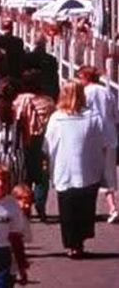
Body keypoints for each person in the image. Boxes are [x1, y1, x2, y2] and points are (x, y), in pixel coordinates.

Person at [44, 81, 107, 258]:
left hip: (64, 169)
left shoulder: (56, 118)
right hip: (88, 169)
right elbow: (101, 142)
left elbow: (49, 145)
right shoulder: (93, 116)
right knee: (85, 208)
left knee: (67, 209)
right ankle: (79, 242)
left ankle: (71, 243)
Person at [77, 65, 119, 223]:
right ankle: (112, 207)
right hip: (110, 136)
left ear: (86, 78)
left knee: (89, 173)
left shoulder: (85, 93)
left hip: (91, 136)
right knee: (108, 173)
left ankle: (89, 209)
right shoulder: (107, 92)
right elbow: (116, 115)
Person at [14, 69, 55, 222]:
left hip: (23, 140)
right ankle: (40, 204)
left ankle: (24, 205)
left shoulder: (18, 101)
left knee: (24, 174)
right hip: (42, 141)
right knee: (41, 176)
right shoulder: (48, 102)